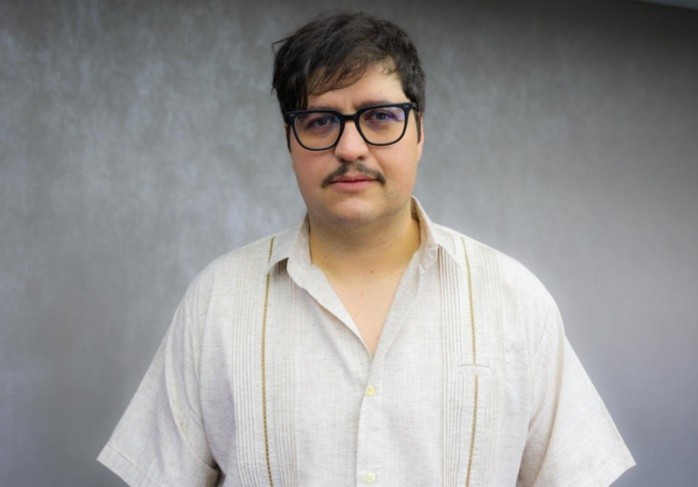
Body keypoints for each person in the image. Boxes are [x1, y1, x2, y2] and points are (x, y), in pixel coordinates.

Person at [98, 11, 635, 486]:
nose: (349, 147)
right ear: (290, 141)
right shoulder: (218, 301)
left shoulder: (514, 300)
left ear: (419, 131)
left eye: (379, 116)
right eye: (320, 121)